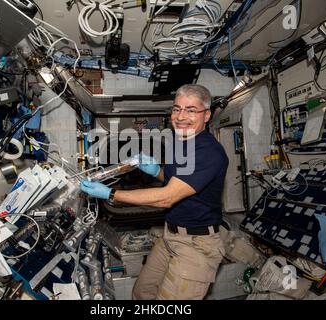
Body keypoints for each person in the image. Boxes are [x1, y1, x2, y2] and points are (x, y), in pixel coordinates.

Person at [80, 84, 229, 300]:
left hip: (196, 244)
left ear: (206, 115)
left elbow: (168, 197)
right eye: (176, 109)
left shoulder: (207, 150)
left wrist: (110, 194)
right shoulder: (180, 142)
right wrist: (157, 171)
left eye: (190, 110)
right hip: (170, 236)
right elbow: (178, 182)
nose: (181, 116)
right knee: (142, 294)